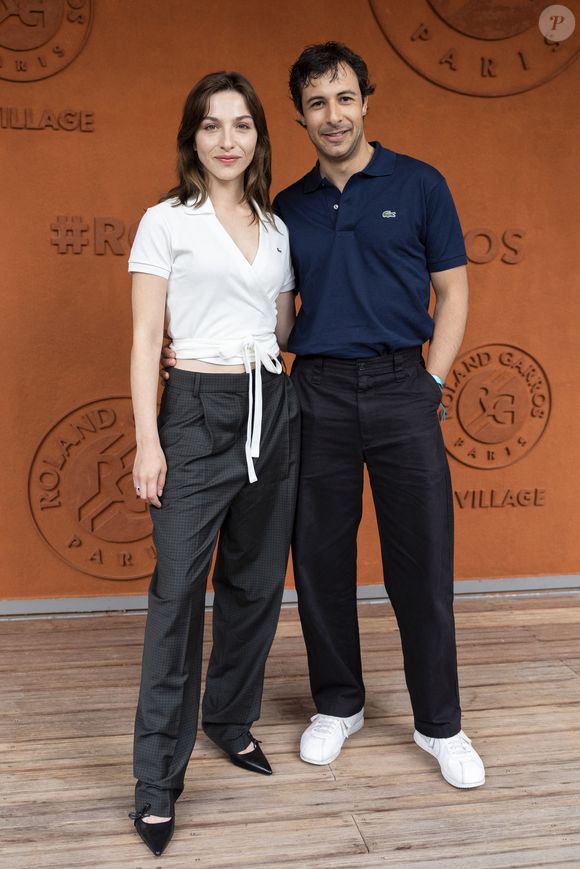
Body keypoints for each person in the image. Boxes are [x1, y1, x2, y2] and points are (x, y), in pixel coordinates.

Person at [162, 42, 485, 791]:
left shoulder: (421, 183)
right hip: (318, 394)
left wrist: (432, 383)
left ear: (365, 101)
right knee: (320, 562)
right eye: (316, 103)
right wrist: (200, 349)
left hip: (406, 385)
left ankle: (442, 723)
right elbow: (265, 309)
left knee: (423, 564)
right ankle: (338, 704)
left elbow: (455, 292)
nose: (332, 115)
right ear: (301, 116)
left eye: (344, 98)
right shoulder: (290, 208)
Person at [128, 71, 299, 856]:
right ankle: (157, 779)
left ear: (258, 137)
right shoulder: (165, 221)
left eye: (241, 125)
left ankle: (230, 720)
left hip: (273, 407)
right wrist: (149, 437)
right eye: (210, 124)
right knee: (175, 597)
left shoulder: (276, 224)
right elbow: (143, 339)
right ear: (191, 137)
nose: (227, 139)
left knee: (256, 584)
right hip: (194, 412)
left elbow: (282, 319)